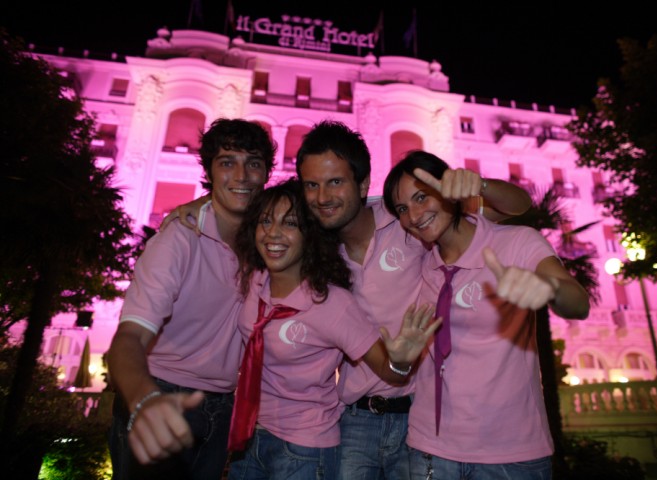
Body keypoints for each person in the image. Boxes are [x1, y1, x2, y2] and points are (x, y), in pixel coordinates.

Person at [164, 120, 532, 479]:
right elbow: (261, 220)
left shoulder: (408, 218)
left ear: (363, 184)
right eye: (312, 185)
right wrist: (205, 206)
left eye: (335, 182)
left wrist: (477, 184)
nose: (323, 197)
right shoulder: (311, 251)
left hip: (418, 417)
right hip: (352, 418)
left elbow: (515, 207)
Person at [382, 151, 590, 479]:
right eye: (403, 209)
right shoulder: (423, 266)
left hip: (510, 452)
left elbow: (579, 304)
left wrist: (549, 288)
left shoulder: (514, 242)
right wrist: (400, 362)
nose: (414, 215)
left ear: (449, 188)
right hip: (428, 451)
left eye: (421, 197)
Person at [227, 179, 440, 479]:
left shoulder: (331, 303)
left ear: (310, 236)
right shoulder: (255, 280)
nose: (273, 232)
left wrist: (402, 361)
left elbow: (390, 371)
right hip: (249, 438)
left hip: (303, 447)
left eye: (290, 223)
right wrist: (193, 209)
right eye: (265, 221)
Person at [107, 118, 276, 480]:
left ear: (266, 175)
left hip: (223, 408)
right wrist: (143, 399)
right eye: (227, 162)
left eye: (254, 163)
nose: (242, 175)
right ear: (209, 171)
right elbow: (129, 338)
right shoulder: (179, 239)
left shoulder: (268, 244)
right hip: (163, 395)